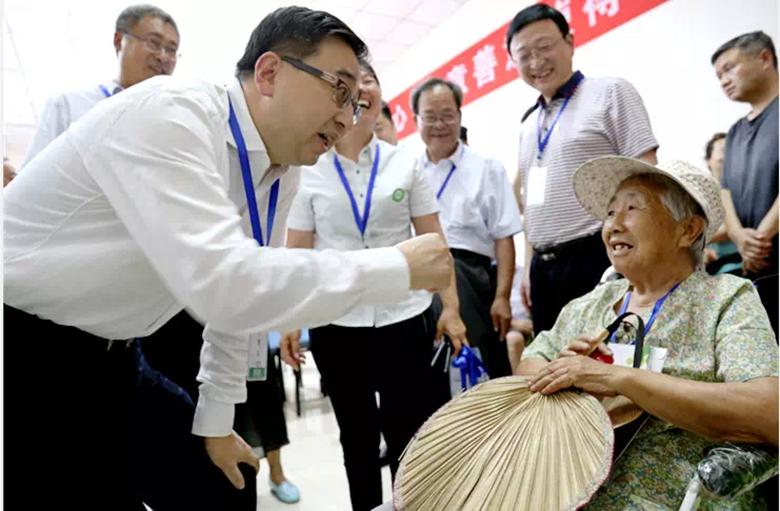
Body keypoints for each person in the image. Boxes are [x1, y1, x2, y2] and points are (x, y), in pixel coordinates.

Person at [3, 7, 454, 510]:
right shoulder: (174, 113)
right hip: (23, 348)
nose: (346, 117)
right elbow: (227, 284)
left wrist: (216, 422)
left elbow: (242, 308)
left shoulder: (281, 169)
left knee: (228, 484)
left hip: (117, 354)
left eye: (356, 102)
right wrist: (398, 267)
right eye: (338, 91)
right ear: (270, 73)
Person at [517, 157, 778, 510]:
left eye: (632, 208)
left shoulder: (724, 299)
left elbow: (768, 412)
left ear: (688, 230)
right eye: (611, 212)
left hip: (673, 497)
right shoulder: (592, 304)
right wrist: (564, 374)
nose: (613, 225)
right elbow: (528, 366)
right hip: (568, 492)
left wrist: (619, 379)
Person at [280, 61, 467, 511]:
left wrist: (451, 309)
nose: (361, 89)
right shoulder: (309, 167)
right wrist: (289, 319)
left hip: (405, 319)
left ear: (382, 95)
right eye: (350, 81)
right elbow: (298, 251)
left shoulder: (404, 163)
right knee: (357, 439)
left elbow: (435, 243)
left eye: (370, 81)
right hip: (337, 324)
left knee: (408, 436)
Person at [507, 4, 659, 337]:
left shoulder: (610, 92)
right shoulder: (528, 124)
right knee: (553, 362)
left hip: (599, 255)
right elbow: (532, 206)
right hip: (543, 269)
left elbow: (648, 175)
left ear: (570, 42)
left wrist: (638, 254)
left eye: (544, 47)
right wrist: (528, 268)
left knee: (606, 359)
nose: (536, 62)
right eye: (524, 55)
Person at [411, 77, 523, 381]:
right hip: (422, 279)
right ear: (416, 120)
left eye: (447, 115)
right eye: (430, 117)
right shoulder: (410, 172)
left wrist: (502, 297)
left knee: (482, 366)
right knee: (431, 372)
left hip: (472, 278)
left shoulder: (486, 168)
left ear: (459, 117)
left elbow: (504, 237)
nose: (439, 125)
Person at [20, 4, 180, 169]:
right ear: (119, 41)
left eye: (171, 50)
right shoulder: (68, 105)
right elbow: (30, 178)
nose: (163, 56)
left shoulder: (174, 123)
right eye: (154, 43)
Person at [712, 31, 779, 337]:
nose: (724, 80)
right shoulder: (735, 132)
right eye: (719, 76)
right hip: (757, 266)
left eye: (730, 68)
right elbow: (725, 191)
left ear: (764, 58)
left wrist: (760, 238)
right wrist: (739, 238)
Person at [702, 132, 742, 275]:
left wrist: (697, 240)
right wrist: (702, 251)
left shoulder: (746, 192)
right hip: (714, 271)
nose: (730, 155)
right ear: (709, 160)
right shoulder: (699, 197)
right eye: (724, 150)